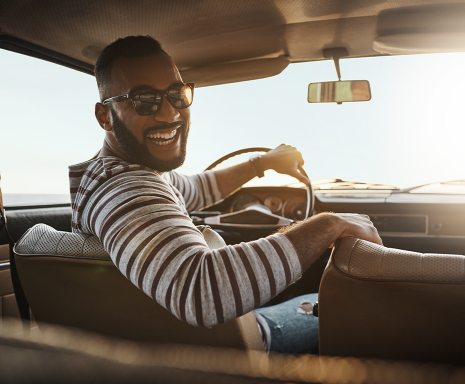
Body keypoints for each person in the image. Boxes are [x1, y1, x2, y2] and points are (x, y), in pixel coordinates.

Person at [69, 35, 382, 354]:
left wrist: (263, 163)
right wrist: (329, 225)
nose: (170, 114)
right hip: (221, 352)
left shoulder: (109, 178)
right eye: (143, 99)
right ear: (104, 116)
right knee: (333, 302)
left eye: (177, 94)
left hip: (165, 344)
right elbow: (202, 292)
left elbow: (198, 188)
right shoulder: (128, 189)